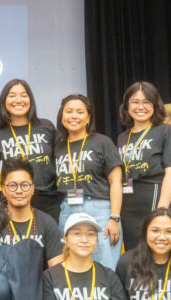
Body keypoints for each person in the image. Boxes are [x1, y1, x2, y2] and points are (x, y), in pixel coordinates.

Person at [53, 94, 124, 271]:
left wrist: (114, 217)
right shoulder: (58, 147)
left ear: (88, 118)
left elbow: (116, 181)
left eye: (79, 112)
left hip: (100, 210)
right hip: (67, 210)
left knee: (106, 268)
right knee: (73, 267)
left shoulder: (102, 142)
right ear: (62, 116)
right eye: (69, 111)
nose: (74, 116)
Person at [117, 82, 171, 252]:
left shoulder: (165, 131)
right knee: (135, 255)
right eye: (135, 102)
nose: (141, 107)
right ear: (127, 106)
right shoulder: (123, 137)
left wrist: (161, 211)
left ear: (155, 105)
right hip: (129, 207)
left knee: (160, 254)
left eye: (146, 102)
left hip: (157, 199)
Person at [0, 79, 60, 221]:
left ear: (30, 99)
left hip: (48, 202)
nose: (18, 100)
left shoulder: (46, 126)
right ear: (4, 101)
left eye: (23, 95)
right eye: (12, 95)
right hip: (14, 201)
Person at [0, 158, 63, 267]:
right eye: (12, 185)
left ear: (32, 189)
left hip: (38, 283)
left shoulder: (47, 223)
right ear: (3, 190)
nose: (19, 190)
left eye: (25, 185)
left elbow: (56, 272)